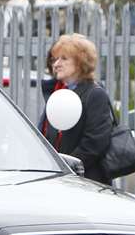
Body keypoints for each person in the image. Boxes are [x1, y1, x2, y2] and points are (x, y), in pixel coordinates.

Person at [37, 34, 114, 185]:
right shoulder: (57, 93)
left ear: (80, 62)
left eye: (64, 59)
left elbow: (95, 143)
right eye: (54, 59)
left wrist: (67, 168)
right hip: (58, 179)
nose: (56, 64)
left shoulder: (95, 94)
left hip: (86, 183)